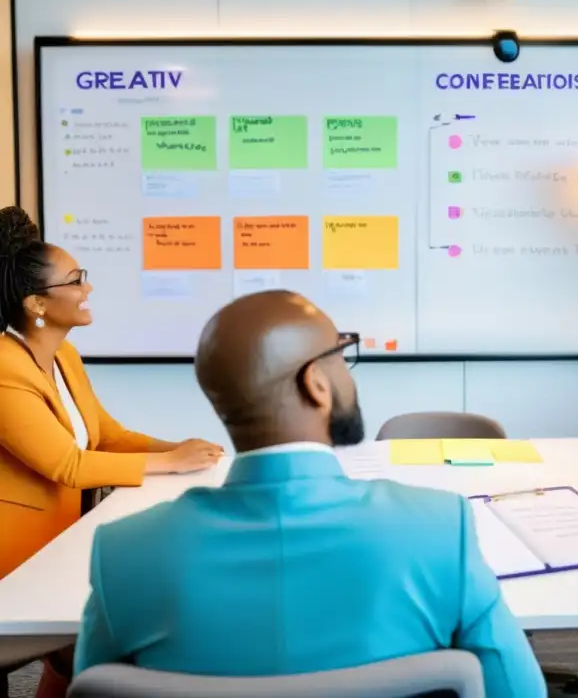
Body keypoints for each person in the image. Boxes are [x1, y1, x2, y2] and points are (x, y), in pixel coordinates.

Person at [73, 290, 546, 697]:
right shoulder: (441, 529)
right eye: (342, 355)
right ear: (316, 384)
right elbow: (519, 691)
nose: (348, 373)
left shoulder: (122, 555)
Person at [0, 205, 223, 697]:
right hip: (14, 558)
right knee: (96, 637)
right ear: (37, 304)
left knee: (86, 644)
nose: (88, 287)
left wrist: (183, 450)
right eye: (76, 279)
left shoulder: (63, 355)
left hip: (60, 541)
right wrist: (168, 463)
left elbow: (105, 435)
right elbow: (68, 463)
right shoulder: (4, 369)